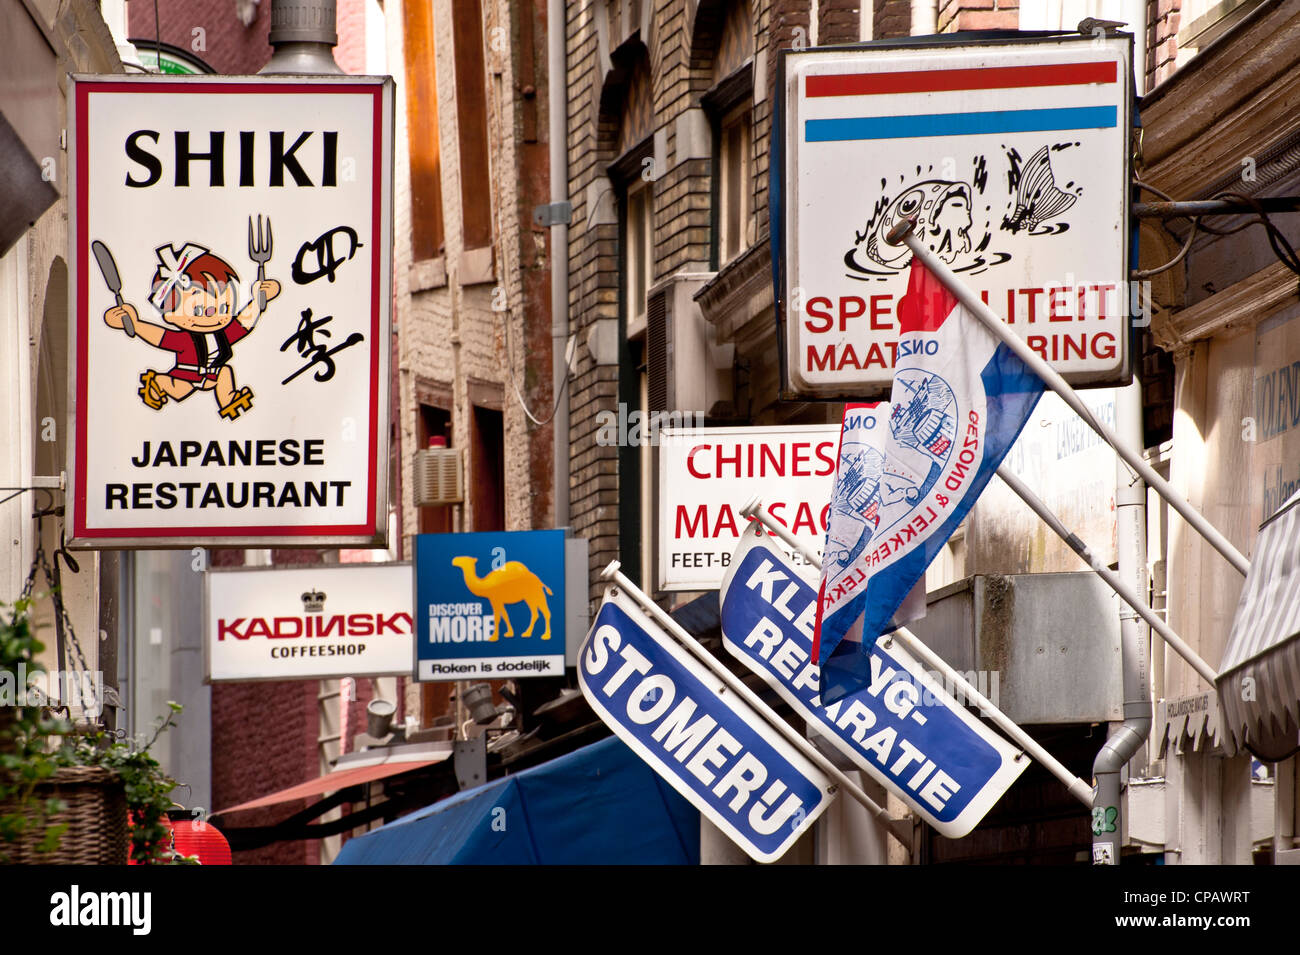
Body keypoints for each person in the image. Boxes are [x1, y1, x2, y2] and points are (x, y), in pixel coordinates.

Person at [103, 242, 280, 420]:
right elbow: (160, 337)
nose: (216, 317)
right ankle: (159, 382)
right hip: (188, 374)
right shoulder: (184, 340)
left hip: (213, 373)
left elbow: (243, 324)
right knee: (179, 391)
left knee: (225, 372)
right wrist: (135, 324)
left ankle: (228, 400)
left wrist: (258, 302)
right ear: (169, 314)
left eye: (225, 307)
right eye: (199, 310)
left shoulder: (221, 335)